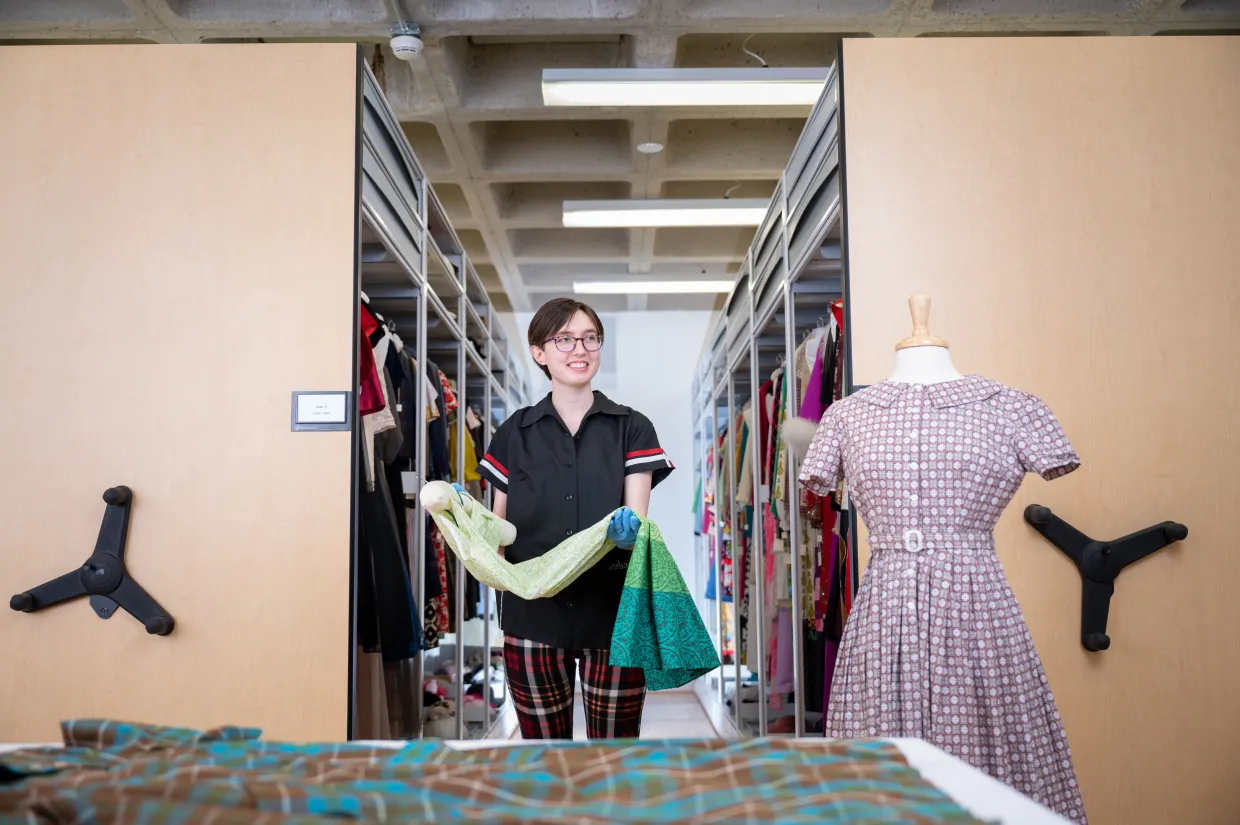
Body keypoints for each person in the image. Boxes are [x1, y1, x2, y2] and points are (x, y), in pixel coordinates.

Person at [468, 297, 673, 740]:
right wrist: (468, 528)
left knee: (613, 756)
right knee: (546, 756)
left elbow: (636, 521)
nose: (579, 349)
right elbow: (498, 530)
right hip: (532, 614)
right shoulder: (513, 434)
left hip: (613, 611)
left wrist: (627, 536)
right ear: (539, 352)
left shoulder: (632, 427)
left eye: (589, 338)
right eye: (564, 339)